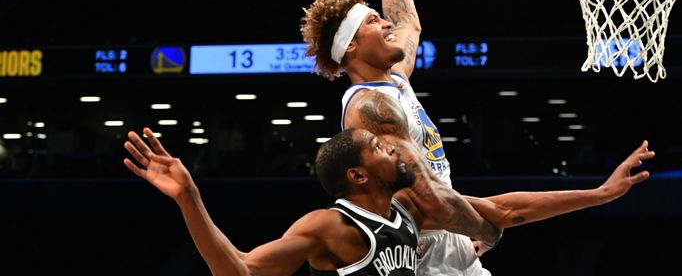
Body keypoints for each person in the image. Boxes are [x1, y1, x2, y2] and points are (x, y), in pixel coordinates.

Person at [300, 0, 656, 275]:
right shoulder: (370, 109)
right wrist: (489, 229)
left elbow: (407, 21)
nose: (386, 23)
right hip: (428, 265)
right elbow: (432, 203)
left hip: (455, 251)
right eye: (372, 21)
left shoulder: (394, 83)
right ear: (351, 46)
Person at [123, 126, 655, 275]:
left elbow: (505, 211)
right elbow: (239, 271)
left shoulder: (408, 208)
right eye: (379, 147)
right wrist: (190, 198)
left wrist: (601, 193)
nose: (392, 149)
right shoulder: (330, 228)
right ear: (358, 175)